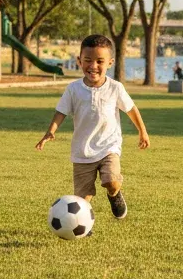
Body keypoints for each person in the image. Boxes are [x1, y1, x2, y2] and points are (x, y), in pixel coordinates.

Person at [36, 34, 150, 219]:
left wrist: (142, 132)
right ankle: (82, 225)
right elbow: (61, 112)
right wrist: (51, 131)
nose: (93, 66)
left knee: (112, 181)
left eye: (100, 61)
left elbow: (131, 109)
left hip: (108, 147)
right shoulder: (73, 89)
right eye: (88, 60)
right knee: (82, 199)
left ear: (110, 63)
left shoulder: (115, 88)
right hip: (82, 151)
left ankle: (115, 195)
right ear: (79, 61)